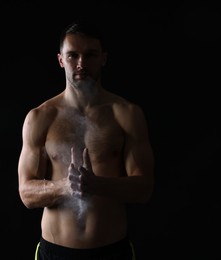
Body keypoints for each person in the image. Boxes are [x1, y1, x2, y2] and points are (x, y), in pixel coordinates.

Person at [17, 18, 155, 260]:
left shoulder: (126, 114)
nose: (81, 63)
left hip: (112, 250)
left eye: (90, 55)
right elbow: (26, 193)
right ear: (61, 60)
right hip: (56, 252)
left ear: (103, 58)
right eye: (72, 55)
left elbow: (144, 188)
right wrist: (66, 187)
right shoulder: (39, 118)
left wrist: (97, 185)